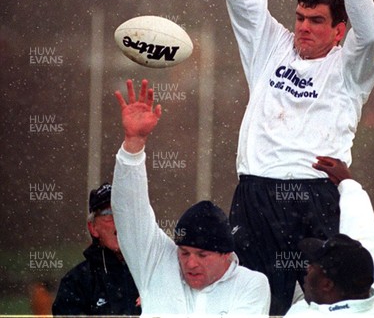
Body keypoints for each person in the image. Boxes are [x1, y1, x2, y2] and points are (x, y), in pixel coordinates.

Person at [222, 0, 374, 314]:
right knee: (251, 302)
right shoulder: (271, 46)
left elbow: (370, 34)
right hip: (255, 195)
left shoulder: (350, 66)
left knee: (319, 302)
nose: (303, 28)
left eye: (315, 21)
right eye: (299, 18)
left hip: (314, 194)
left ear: (337, 31)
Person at [111, 79, 270, 315]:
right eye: (184, 252)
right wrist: (133, 144)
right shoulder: (156, 263)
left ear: (227, 254)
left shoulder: (251, 285)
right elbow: (129, 211)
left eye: (202, 255)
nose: (190, 263)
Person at [286, 156, 374, 316]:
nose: (307, 267)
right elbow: (366, 235)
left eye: (314, 265)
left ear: (327, 284)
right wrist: (349, 185)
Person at [52, 183, 141, 316]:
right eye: (109, 213)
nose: (119, 221)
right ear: (93, 228)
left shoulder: (154, 271)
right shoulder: (76, 282)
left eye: (123, 211)